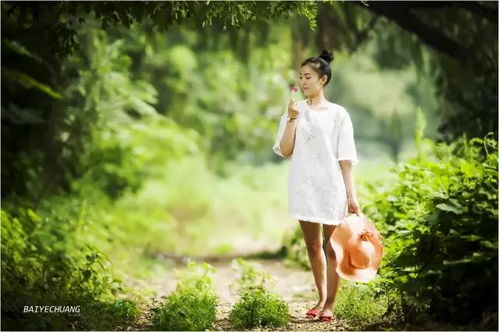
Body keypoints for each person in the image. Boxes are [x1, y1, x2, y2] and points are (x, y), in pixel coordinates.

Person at [272, 49, 361, 322]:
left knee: (332, 247)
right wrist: (291, 118)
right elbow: (286, 150)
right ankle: (321, 297)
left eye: (308, 76)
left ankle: (331, 304)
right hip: (303, 185)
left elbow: (346, 158)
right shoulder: (294, 111)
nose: (303, 82)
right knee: (312, 246)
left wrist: (351, 196)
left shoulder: (338, 114)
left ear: (323, 80)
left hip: (331, 186)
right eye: (300, 77)